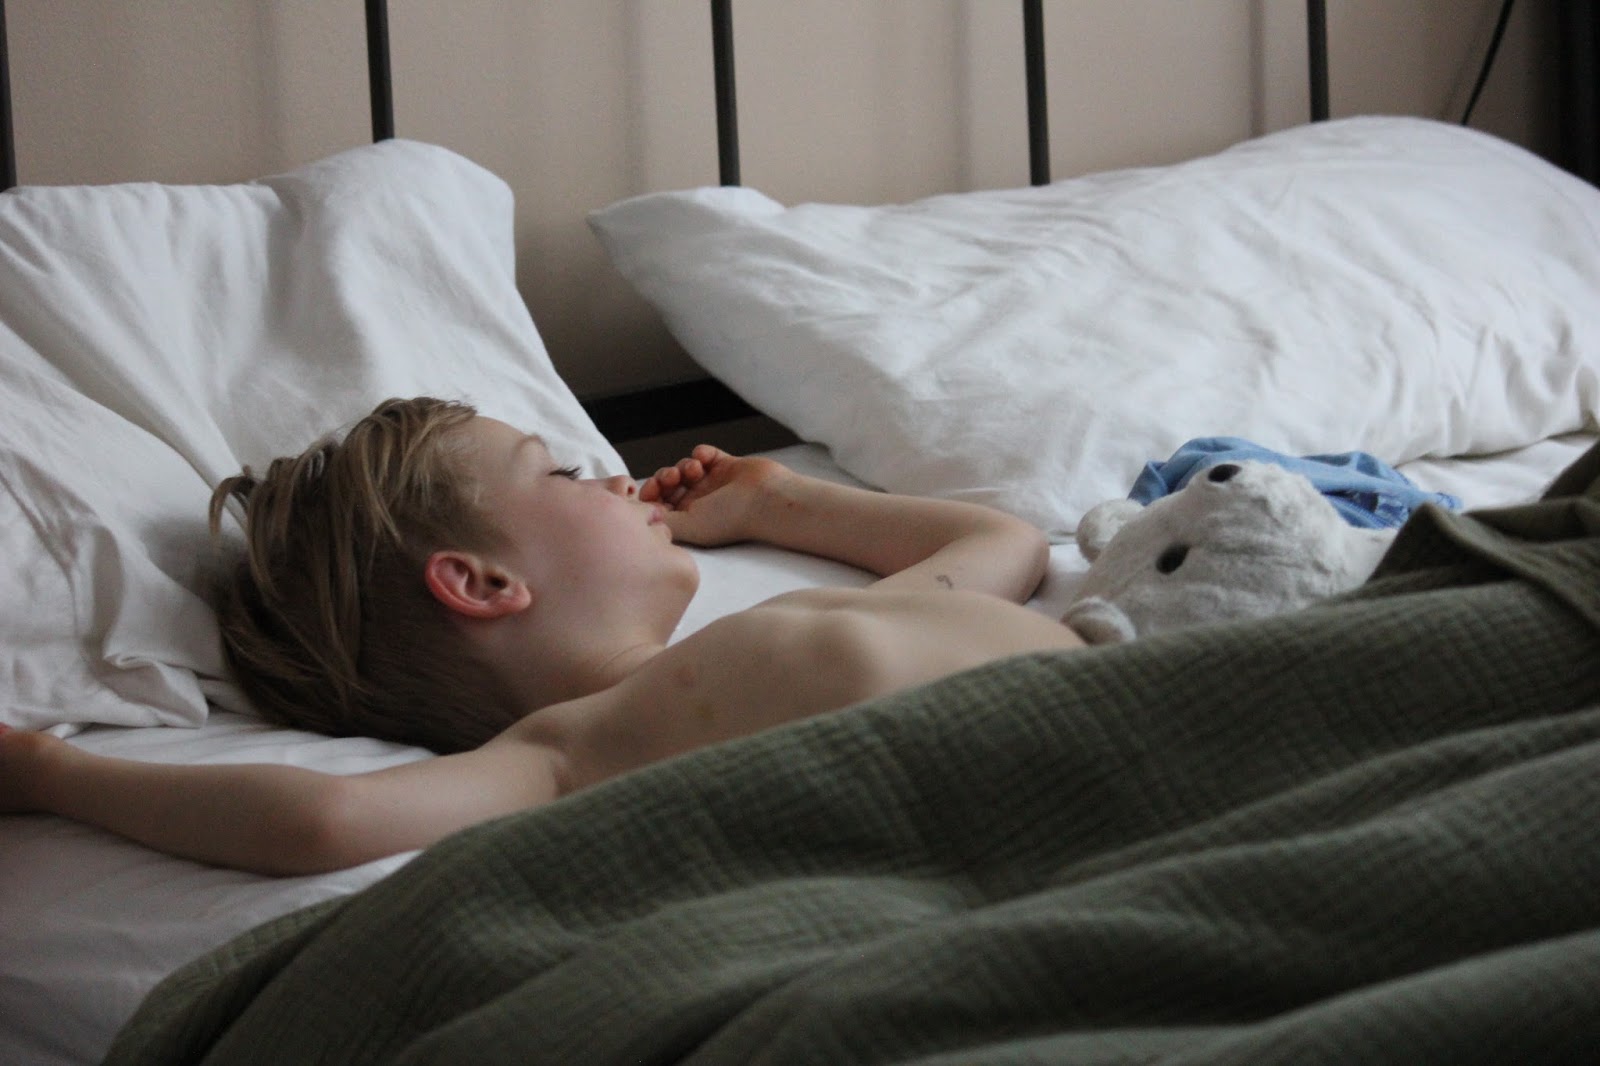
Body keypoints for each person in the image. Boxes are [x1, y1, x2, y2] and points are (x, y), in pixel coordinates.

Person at [0, 396, 1080, 877]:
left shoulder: (789, 626)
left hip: (1121, 716)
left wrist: (777, 502)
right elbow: (326, 818)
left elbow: (1004, 544)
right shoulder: (575, 744)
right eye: (560, 473)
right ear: (481, 583)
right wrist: (54, 773)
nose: (614, 477)